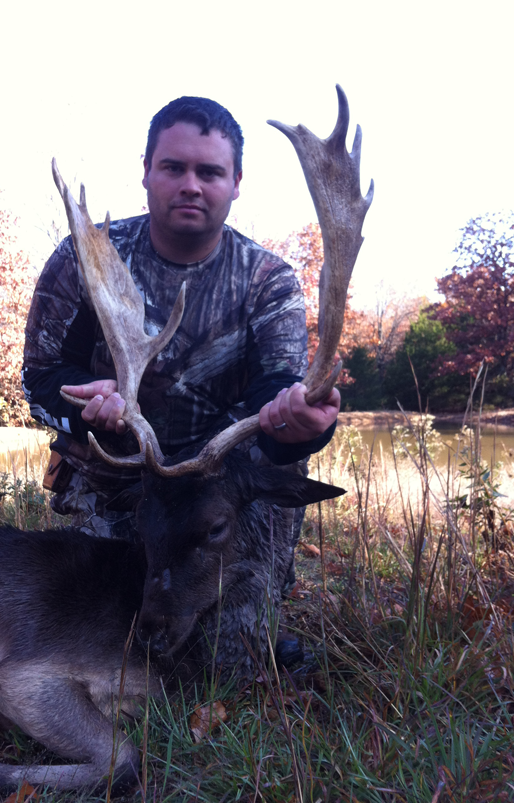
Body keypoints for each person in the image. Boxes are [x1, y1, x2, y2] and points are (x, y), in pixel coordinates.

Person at [22, 96, 340, 557]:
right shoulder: (82, 258)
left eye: (209, 173)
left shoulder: (269, 280)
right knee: (104, 615)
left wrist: (302, 423)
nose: (191, 185)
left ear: (236, 183)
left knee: (233, 629)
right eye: (173, 168)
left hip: (223, 492)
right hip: (115, 477)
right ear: (147, 170)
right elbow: (41, 378)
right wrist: (86, 406)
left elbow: (278, 388)